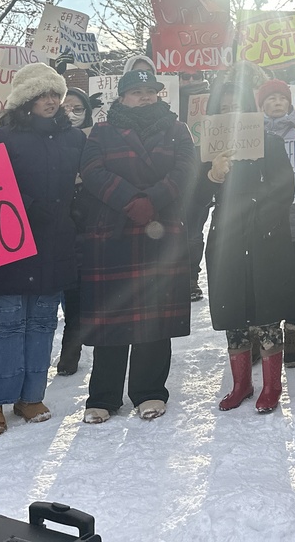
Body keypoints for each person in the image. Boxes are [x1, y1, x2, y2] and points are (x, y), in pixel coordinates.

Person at [75, 68, 196, 424]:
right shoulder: (102, 130)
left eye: (150, 90)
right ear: (122, 96)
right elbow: (93, 170)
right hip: (114, 231)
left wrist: (153, 200)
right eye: (137, 91)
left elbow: (186, 169)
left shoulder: (177, 129)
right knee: (112, 316)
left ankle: (150, 391)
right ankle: (104, 396)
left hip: (160, 228)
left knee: (155, 317)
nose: (145, 96)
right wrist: (130, 201)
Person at [0, 64, 85, 435]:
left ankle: (30, 395)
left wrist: (72, 211)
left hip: (56, 240)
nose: (51, 101)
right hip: (9, 240)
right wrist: (28, 204)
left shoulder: (74, 139)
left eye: (55, 94)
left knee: (42, 320)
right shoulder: (2, 137)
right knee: (5, 322)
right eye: (42, 95)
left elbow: (82, 182)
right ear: (25, 100)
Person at [205, 76, 295, 414]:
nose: (232, 112)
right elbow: (194, 198)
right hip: (225, 238)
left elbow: (284, 188)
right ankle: (241, 383)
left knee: (266, 311)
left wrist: (260, 217)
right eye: (225, 107)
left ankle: (273, 386)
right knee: (233, 310)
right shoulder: (210, 148)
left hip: (264, 239)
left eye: (237, 106)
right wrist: (213, 175)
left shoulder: (269, 143)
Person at [256, 79, 295, 368]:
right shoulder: (252, 135)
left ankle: (293, 333)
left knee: (294, 281)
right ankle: (266, 335)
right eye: (270, 99)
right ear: (261, 105)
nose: (277, 103)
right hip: (264, 218)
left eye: (281, 98)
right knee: (264, 279)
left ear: (290, 103)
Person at [56, 87, 95, 375]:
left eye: (78, 107)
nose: (71, 112)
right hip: (54, 221)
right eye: (65, 106)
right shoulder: (46, 138)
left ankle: (70, 355)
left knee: (77, 296)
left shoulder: (99, 139)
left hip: (88, 223)